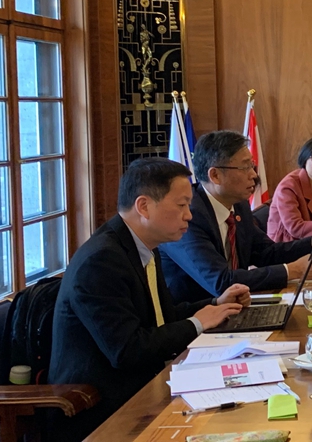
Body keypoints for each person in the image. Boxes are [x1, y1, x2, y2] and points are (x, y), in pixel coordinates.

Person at [49, 158, 248, 441]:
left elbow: (160, 316)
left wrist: (215, 304)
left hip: (147, 385)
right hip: (104, 408)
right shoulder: (101, 261)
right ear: (143, 206)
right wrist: (197, 323)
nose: (189, 216)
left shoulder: (144, 246)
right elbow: (127, 350)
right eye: (181, 205)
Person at [160, 131, 312, 304]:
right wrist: (293, 271)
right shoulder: (188, 216)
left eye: (251, 166)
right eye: (245, 167)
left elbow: (265, 253)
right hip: (198, 315)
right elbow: (221, 282)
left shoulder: (239, 205)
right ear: (215, 175)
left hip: (237, 305)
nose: (254, 174)